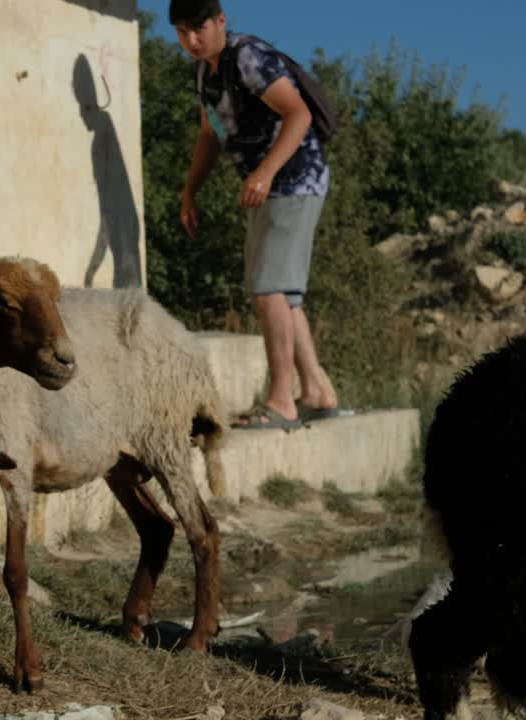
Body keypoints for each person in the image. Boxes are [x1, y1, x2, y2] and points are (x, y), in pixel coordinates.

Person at [169, 0, 349, 430]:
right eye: (182, 32)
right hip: (269, 186)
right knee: (283, 294)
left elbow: (298, 113)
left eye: (199, 28)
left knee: (268, 290)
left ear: (220, 22)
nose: (192, 40)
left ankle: (281, 401)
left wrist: (265, 173)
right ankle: (317, 393)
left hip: (294, 179)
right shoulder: (205, 74)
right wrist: (189, 191)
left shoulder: (247, 56)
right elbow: (209, 134)